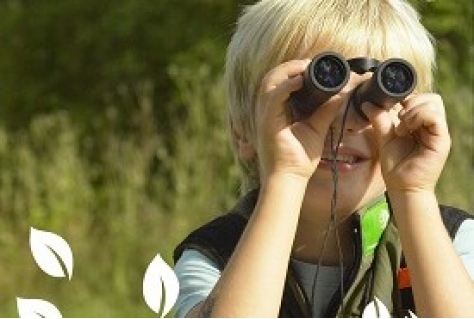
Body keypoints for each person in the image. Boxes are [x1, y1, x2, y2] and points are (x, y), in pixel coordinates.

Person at [173, 0, 474, 317]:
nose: (342, 123)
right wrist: (286, 175)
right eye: (308, 96)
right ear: (244, 131)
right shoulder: (213, 254)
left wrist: (414, 194)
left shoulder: (454, 239)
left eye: (372, 97)